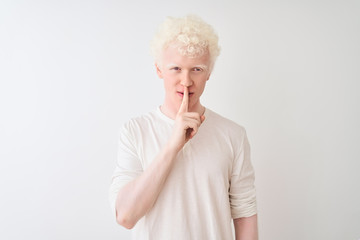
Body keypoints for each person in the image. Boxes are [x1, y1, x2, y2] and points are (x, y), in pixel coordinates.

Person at [109, 15, 258, 240]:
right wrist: (173, 145)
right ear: (159, 69)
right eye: (176, 68)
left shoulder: (233, 135)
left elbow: (245, 213)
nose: (186, 81)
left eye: (196, 69)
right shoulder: (135, 131)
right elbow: (125, 216)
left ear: (209, 73)